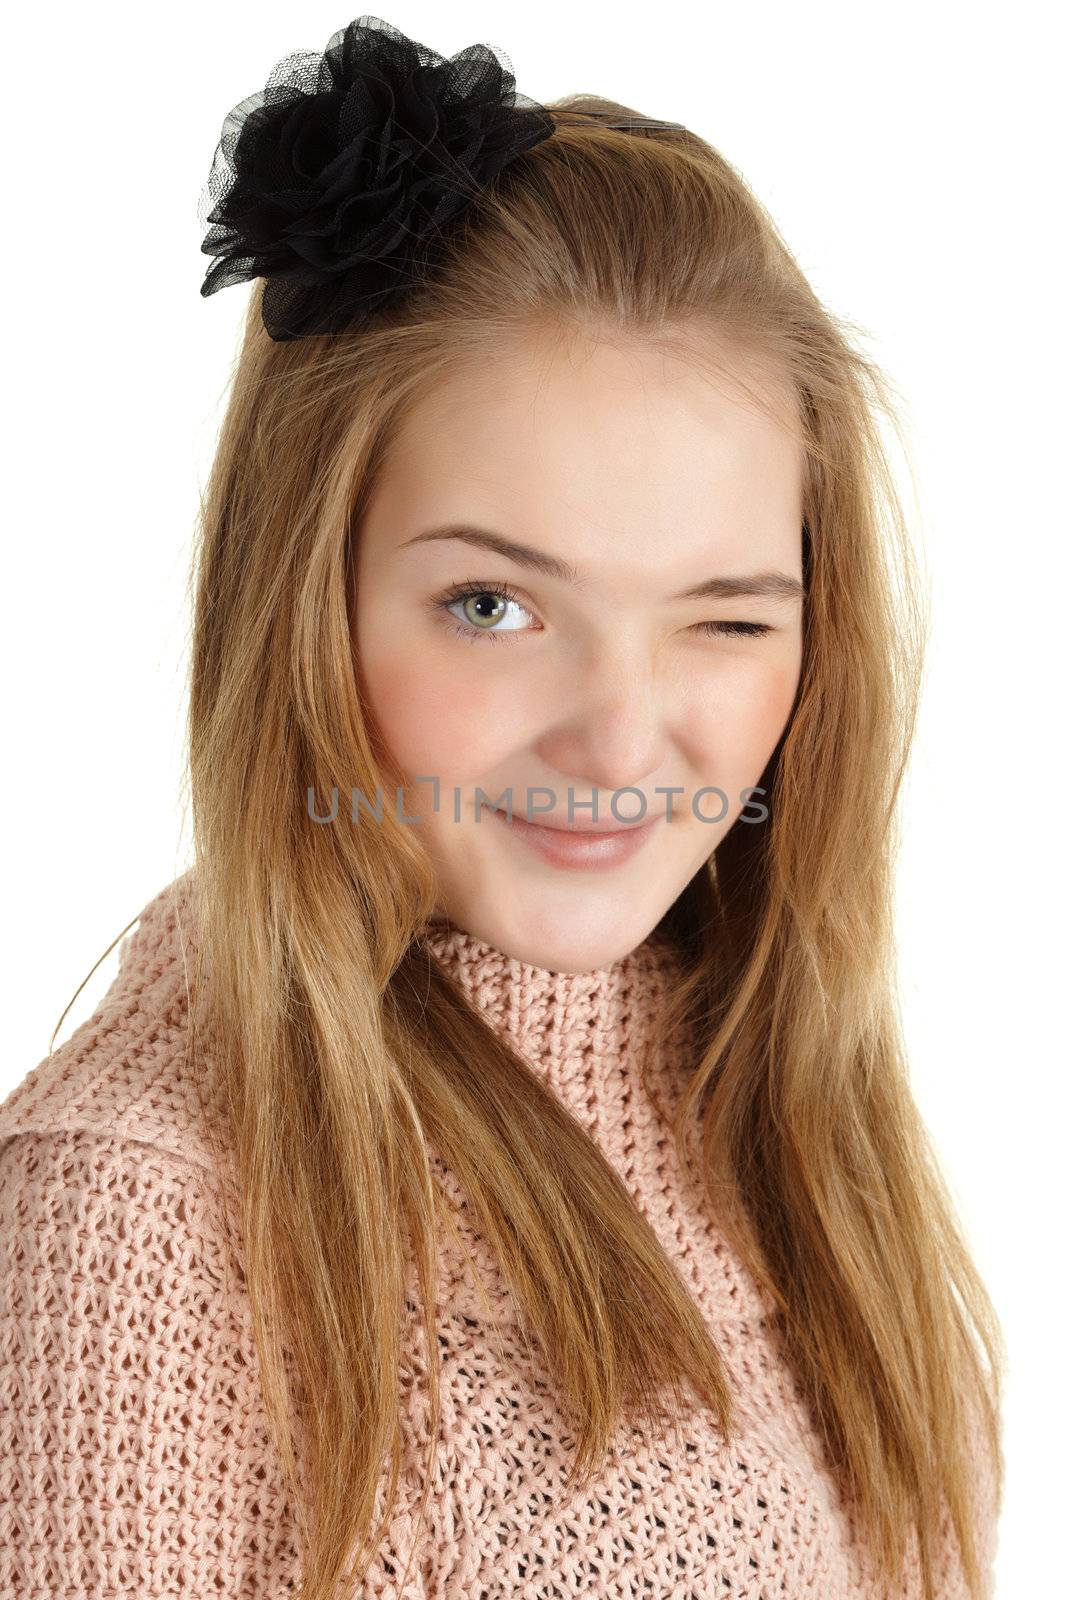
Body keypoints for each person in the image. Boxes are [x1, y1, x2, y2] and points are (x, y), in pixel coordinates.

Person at [0, 15, 1004, 1600]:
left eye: (727, 618)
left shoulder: (798, 1129)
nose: (619, 738)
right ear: (305, 601)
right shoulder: (138, 1209)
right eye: (492, 606)